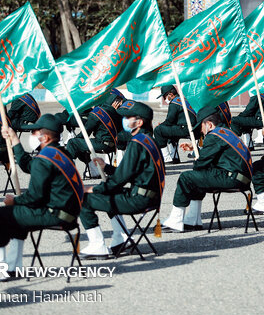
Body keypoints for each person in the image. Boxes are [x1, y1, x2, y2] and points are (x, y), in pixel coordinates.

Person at [0, 114, 83, 281]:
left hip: (54, 214)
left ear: (44, 137)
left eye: (34, 132)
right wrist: (14, 140)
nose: (31, 136)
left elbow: (35, 197)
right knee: (16, 216)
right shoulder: (61, 153)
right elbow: (27, 165)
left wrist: (14, 201)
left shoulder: (45, 158)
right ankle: (13, 266)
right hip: (68, 214)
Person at [79, 100, 164, 259]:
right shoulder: (148, 141)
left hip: (140, 199)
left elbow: (120, 179)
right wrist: (107, 167)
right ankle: (121, 238)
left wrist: (93, 189)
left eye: (128, 117)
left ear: (138, 122)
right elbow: (129, 173)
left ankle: (97, 245)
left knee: (83, 198)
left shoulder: (137, 143)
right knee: (110, 190)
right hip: (150, 197)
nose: (124, 120)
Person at [162, 106, 252, 232]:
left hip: (233, 178)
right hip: (241, 178)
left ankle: (176, 220)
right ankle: (193, 219)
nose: (202, 132)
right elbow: (217, 154)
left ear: (209, 124)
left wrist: (198, 161)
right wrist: (196, 149)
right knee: (198, 177)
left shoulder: (214, 136)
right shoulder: (226, 132)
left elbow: (201, 163)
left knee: (186, 177)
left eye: (201, 127)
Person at [65, 91, 123, 177]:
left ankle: (68, 172)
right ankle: (94, 171)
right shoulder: (116, 112)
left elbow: (85, 133)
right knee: (79, 145)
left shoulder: (96, 113)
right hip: (113, 146)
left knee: (73, 143)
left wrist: (75, 140)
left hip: (101, 144)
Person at [153, 85, 198, 163]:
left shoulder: (174, 103)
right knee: (169, 131)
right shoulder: (183, 100)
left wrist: (161, 125)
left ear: (170, 94)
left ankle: (166, 157)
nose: (164, 99)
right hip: (194, 128)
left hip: (186, 129)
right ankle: (174, 156)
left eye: (164, 96)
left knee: (158, 130)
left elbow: (170, 120)